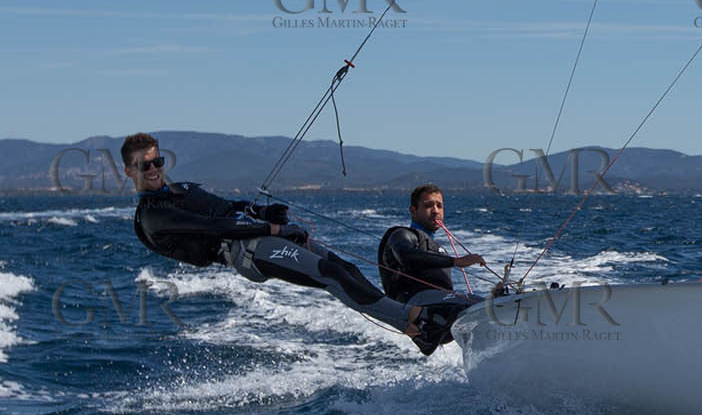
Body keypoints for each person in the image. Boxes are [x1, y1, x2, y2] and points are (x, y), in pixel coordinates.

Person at [122, 132, 456, 355]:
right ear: (128, 170)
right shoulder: (154, 216)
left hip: (258, 236)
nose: (153, 169)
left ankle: (417, 327)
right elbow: (213, 227)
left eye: (157, 162)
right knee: (330, 273)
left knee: (345, 267)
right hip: (247, 252)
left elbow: (229, 208)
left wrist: (264, 211)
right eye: (144, 165)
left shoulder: (181, 191)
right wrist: (275, 231)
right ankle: (414, 321)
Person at [376, 185, 494, 349]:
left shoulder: (440, 250)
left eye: (439, 205)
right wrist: (455, 261)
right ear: (413, 210)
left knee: (492, 303)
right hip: (413, 307)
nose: (435, 210)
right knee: (479, 304)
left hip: (442, 312)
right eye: (428, 205)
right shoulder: (402, 235)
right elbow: (405, 256)